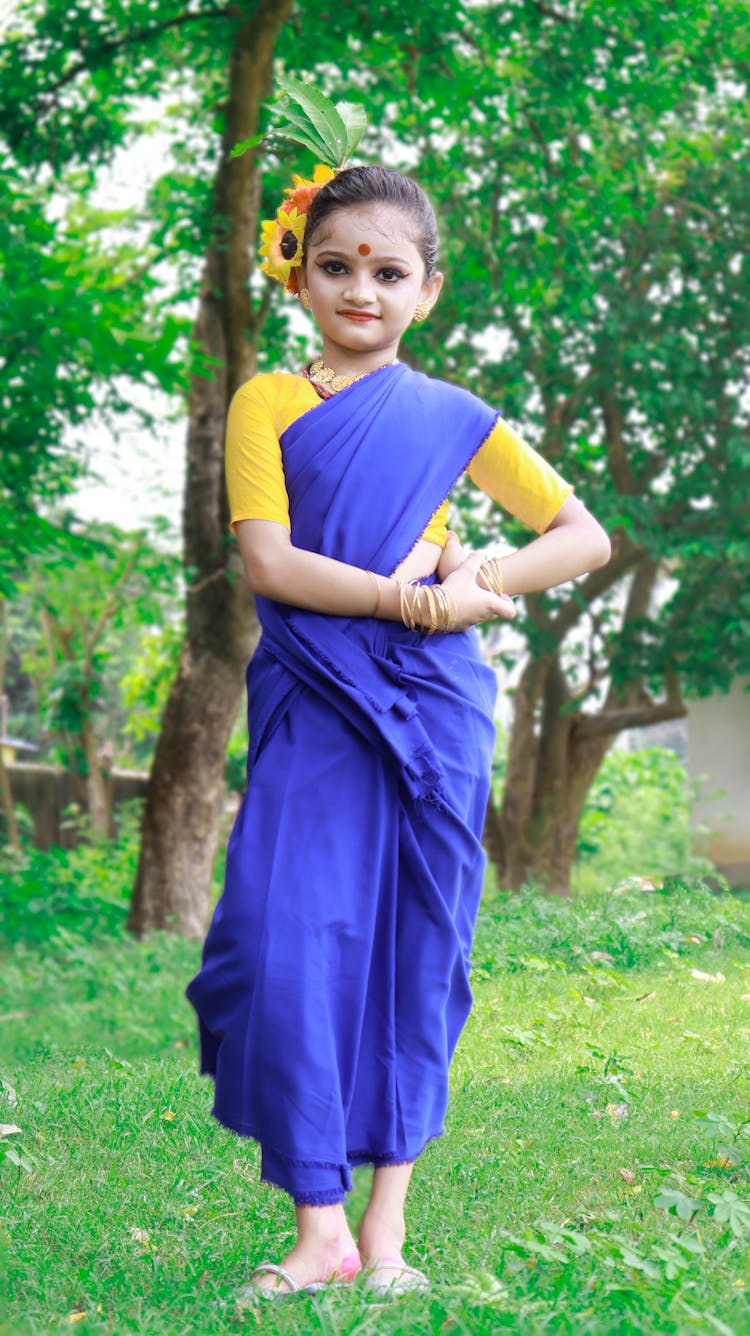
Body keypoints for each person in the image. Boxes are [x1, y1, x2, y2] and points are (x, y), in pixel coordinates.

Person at [185, 163, 610, 1303]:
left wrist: (478, 576)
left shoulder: (450, 418)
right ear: (301, 275)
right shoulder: (268, 401)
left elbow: (583, 536)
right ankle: (313, 1221)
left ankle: (382, 1232)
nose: (359, 288)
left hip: (430, 705)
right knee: (279, 945)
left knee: (416, 947)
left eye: (387, 270)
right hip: (318, 698)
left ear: (427, 288)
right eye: (337, 266)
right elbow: (268, 562)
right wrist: (411, 593)